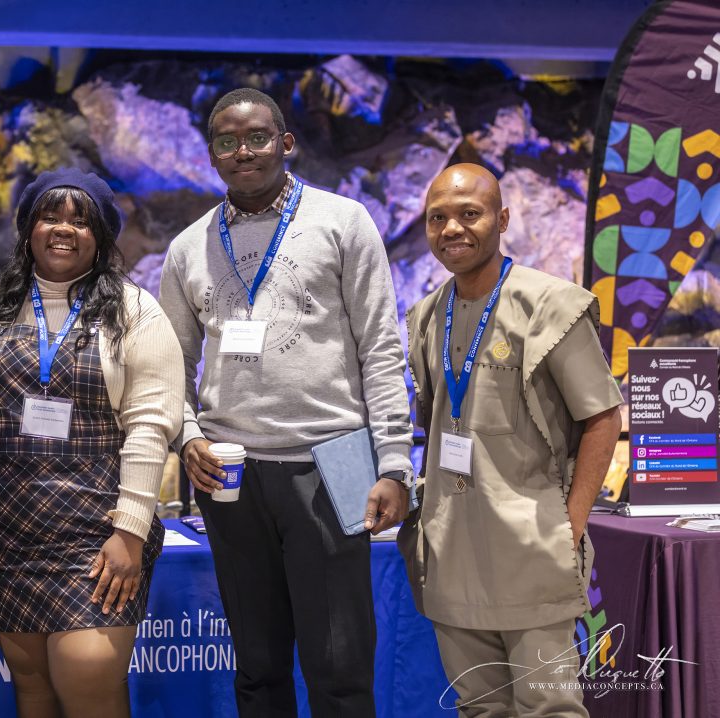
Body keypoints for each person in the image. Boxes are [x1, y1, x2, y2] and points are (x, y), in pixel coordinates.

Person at [158, 87, 415, 717]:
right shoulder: (188, 247)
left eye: (257, 137)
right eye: (227, 142)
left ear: (286, 143)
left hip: (336, 459)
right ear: (212, 154)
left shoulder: (343, 221)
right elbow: (170, 366)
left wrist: (394, 464)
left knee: (341, 668)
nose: (243, 152)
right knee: (258, 665)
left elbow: (382, 348)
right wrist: (188, 436)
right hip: (230, 473)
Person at [399, 163, 623, 716]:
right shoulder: (426, 316)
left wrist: (569, 525)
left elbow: (602, 417)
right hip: (451, 553)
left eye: (469, 214)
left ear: (502, 220)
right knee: (479, 708)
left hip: (533, 551)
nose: (452, 229)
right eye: (437, 218)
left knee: (549, 709)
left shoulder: (550, 306)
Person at [0, 167, 184, 718]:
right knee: (33, 692)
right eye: (49, 216)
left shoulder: (135, 311)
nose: (63, 229)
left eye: (81, 221)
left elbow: (150, 426)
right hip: (2, 530)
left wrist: (130, 531)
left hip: (95, 532)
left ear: (101, 237)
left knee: (88, 686)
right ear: (28, 229)